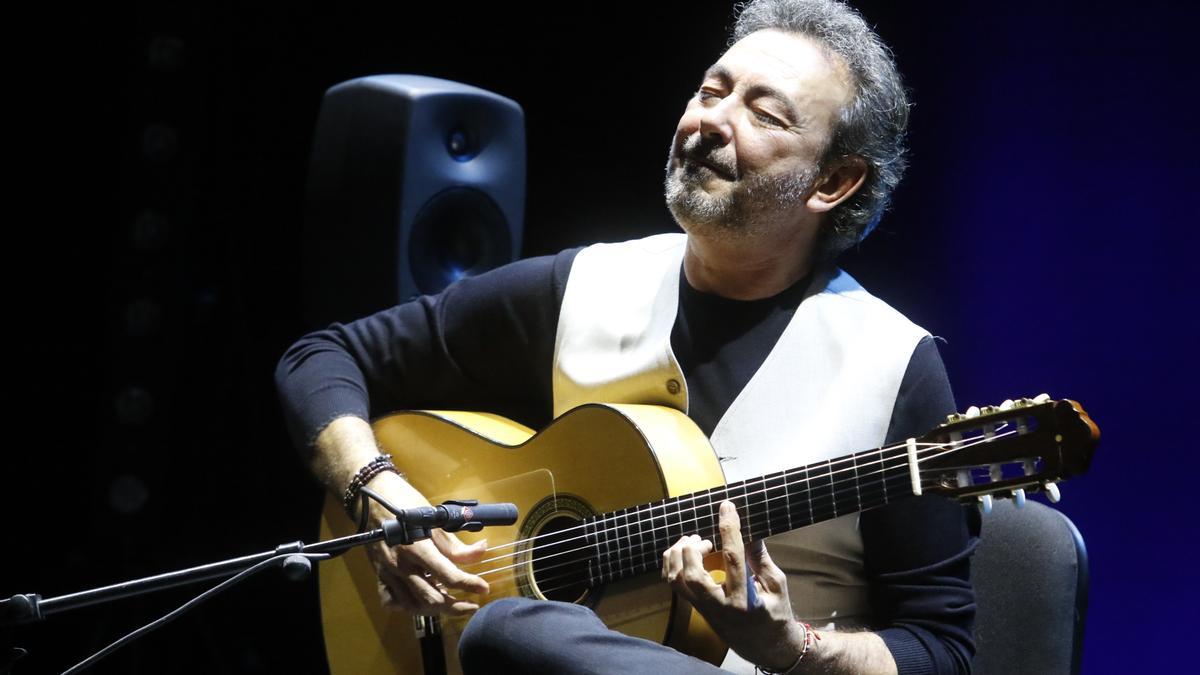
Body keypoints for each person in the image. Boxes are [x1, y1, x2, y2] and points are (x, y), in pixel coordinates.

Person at [275, 1, 978, 673]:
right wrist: (374, 487)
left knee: (515, 631)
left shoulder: (893, 365)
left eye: (762, 113)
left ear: (835, 180)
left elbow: (944, 652)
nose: (711, 121)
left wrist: (793, 647)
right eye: (711, 91)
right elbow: (324, 356)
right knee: (516, 631)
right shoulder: (586, 284)